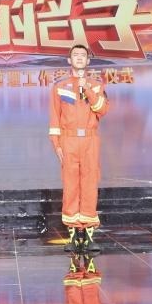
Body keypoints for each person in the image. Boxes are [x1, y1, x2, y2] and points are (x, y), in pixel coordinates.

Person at [49, 44, 110, 252]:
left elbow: (103, 110)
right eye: (75, 55)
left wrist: (88, 90)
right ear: (69, 60)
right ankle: (74, 234)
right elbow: (55, 118)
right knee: (71, 185)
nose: (79, 58)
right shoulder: (60, 87)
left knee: (90, 183)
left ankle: (89, 233)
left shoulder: (96, 85)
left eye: (83, 55)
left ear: (88, 61)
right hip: (69, 140)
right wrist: (57, 144)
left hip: (90, 139)